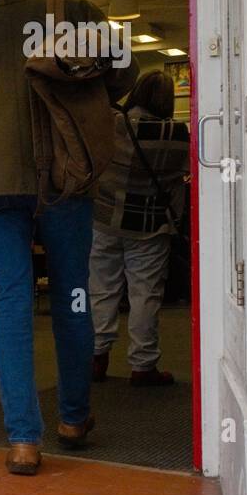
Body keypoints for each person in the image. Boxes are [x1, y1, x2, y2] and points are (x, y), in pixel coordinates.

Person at [0, 0, 137, 476]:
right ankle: (73, 417)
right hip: (65, 178)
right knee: (74, 292)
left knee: (9, 304)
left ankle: (24, 440)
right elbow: (126, 73)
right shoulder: (72, 10)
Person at [89, 71, 190, 386]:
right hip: (149, 227)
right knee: (145, 295)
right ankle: (143, 366)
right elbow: (180, 179)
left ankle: (96, 357)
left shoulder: (112, 124)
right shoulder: (177, 132)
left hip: (104, 221)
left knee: (101, 290)